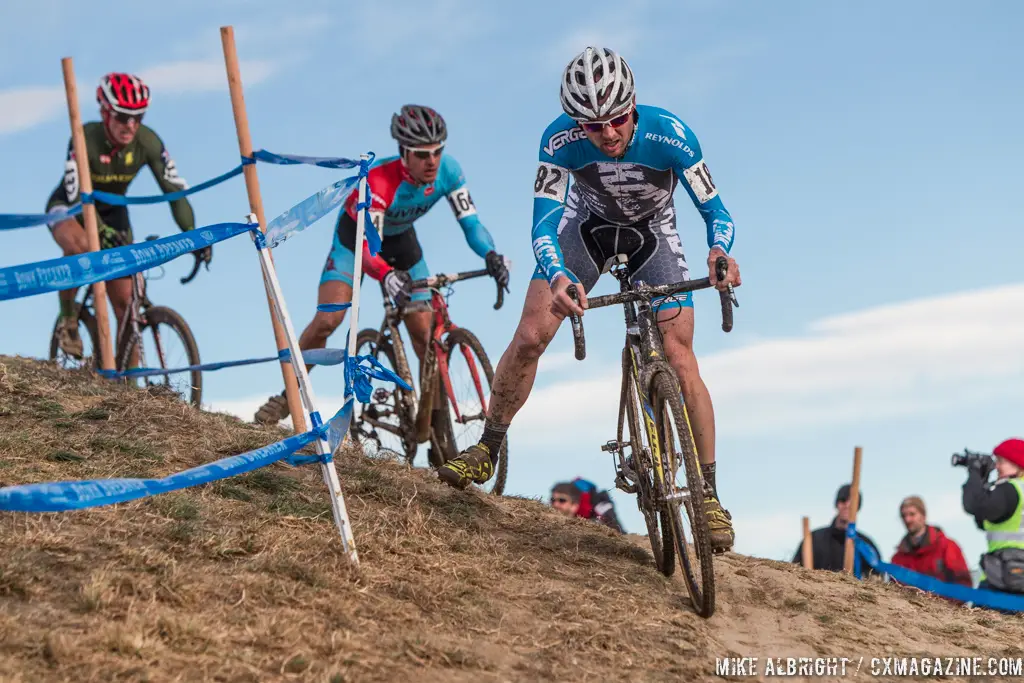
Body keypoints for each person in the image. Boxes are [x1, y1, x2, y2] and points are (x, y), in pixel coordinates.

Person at [436, 46, 741, 552]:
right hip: (587, 231)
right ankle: (488, 446)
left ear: (634, 106)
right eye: (593, 126)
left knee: (680, 355)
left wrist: (719, 253)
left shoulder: (672, 134)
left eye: (617, 120)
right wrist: (556, 274)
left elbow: (716, 210)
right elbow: (543, 222)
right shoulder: (558, 140)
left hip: (653, 236)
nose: (608, 133)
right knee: (532, 335)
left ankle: (708, 495)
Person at [253, 104, 510, 424]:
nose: (432, 161)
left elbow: (471, 224)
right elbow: (367, 248)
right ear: (404, 152)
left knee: (424, 333)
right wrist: (386, 275)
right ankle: (286, 396)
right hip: (355, 241)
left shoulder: (450, 171)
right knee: (327, 322)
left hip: (401, 241)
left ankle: (435, 426)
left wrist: (491, 255)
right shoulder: (380, 183)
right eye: (422, 154)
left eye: (437, 151)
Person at [45, 72, 207, 358]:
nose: (130, 125)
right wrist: (96, 229)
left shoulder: (148, 142)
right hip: (70, 207)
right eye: (121, 116)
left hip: (113, 213)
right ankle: (68, 320)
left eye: (138, 116)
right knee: (79, 246)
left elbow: (174, 192)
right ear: (105, 112)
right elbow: (74, 195)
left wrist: (192, 234)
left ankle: (127, 385)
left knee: (127, 305)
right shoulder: (85, 138)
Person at [962, 438, 1024, 594]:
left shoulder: (1011, 490)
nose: (996, 466)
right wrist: (982, 484)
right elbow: (984, 520)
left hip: (1008, 578)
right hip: (1009, 574)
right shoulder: (1018, 490)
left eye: (1001, 461)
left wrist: (975, 473)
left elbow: (975, 505)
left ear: (1017, 463)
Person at [792, 484, 882, 576]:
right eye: (843, 500)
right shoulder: (814, 539)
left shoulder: (867, 546)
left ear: (858, 507)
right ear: (837, 504)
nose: (847, 505)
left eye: (852, 502)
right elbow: (795, 571)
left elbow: (877, 578)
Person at [890, 495, 972, 587]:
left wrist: (944, 601)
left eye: (912, 514)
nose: (907, 519)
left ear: (923, 516)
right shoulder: (898, 558)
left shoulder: (947, 547)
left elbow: (964, 585)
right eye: (903, 515)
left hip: (941, 601)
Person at [550, 478, 624, 533]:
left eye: (562, 500)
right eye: (553, 500)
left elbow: (618, 532)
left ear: (574, 505)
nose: (555, 504)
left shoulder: (598, 510)